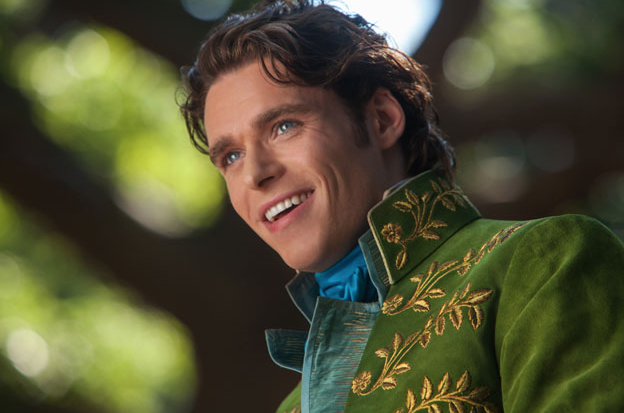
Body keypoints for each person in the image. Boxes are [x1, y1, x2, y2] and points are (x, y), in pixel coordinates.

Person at [179, 1, 624, 412]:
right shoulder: (292, 406)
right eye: (231, 156)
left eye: (284, 126)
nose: (254, 174)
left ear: (382, 119)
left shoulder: (542, 264)